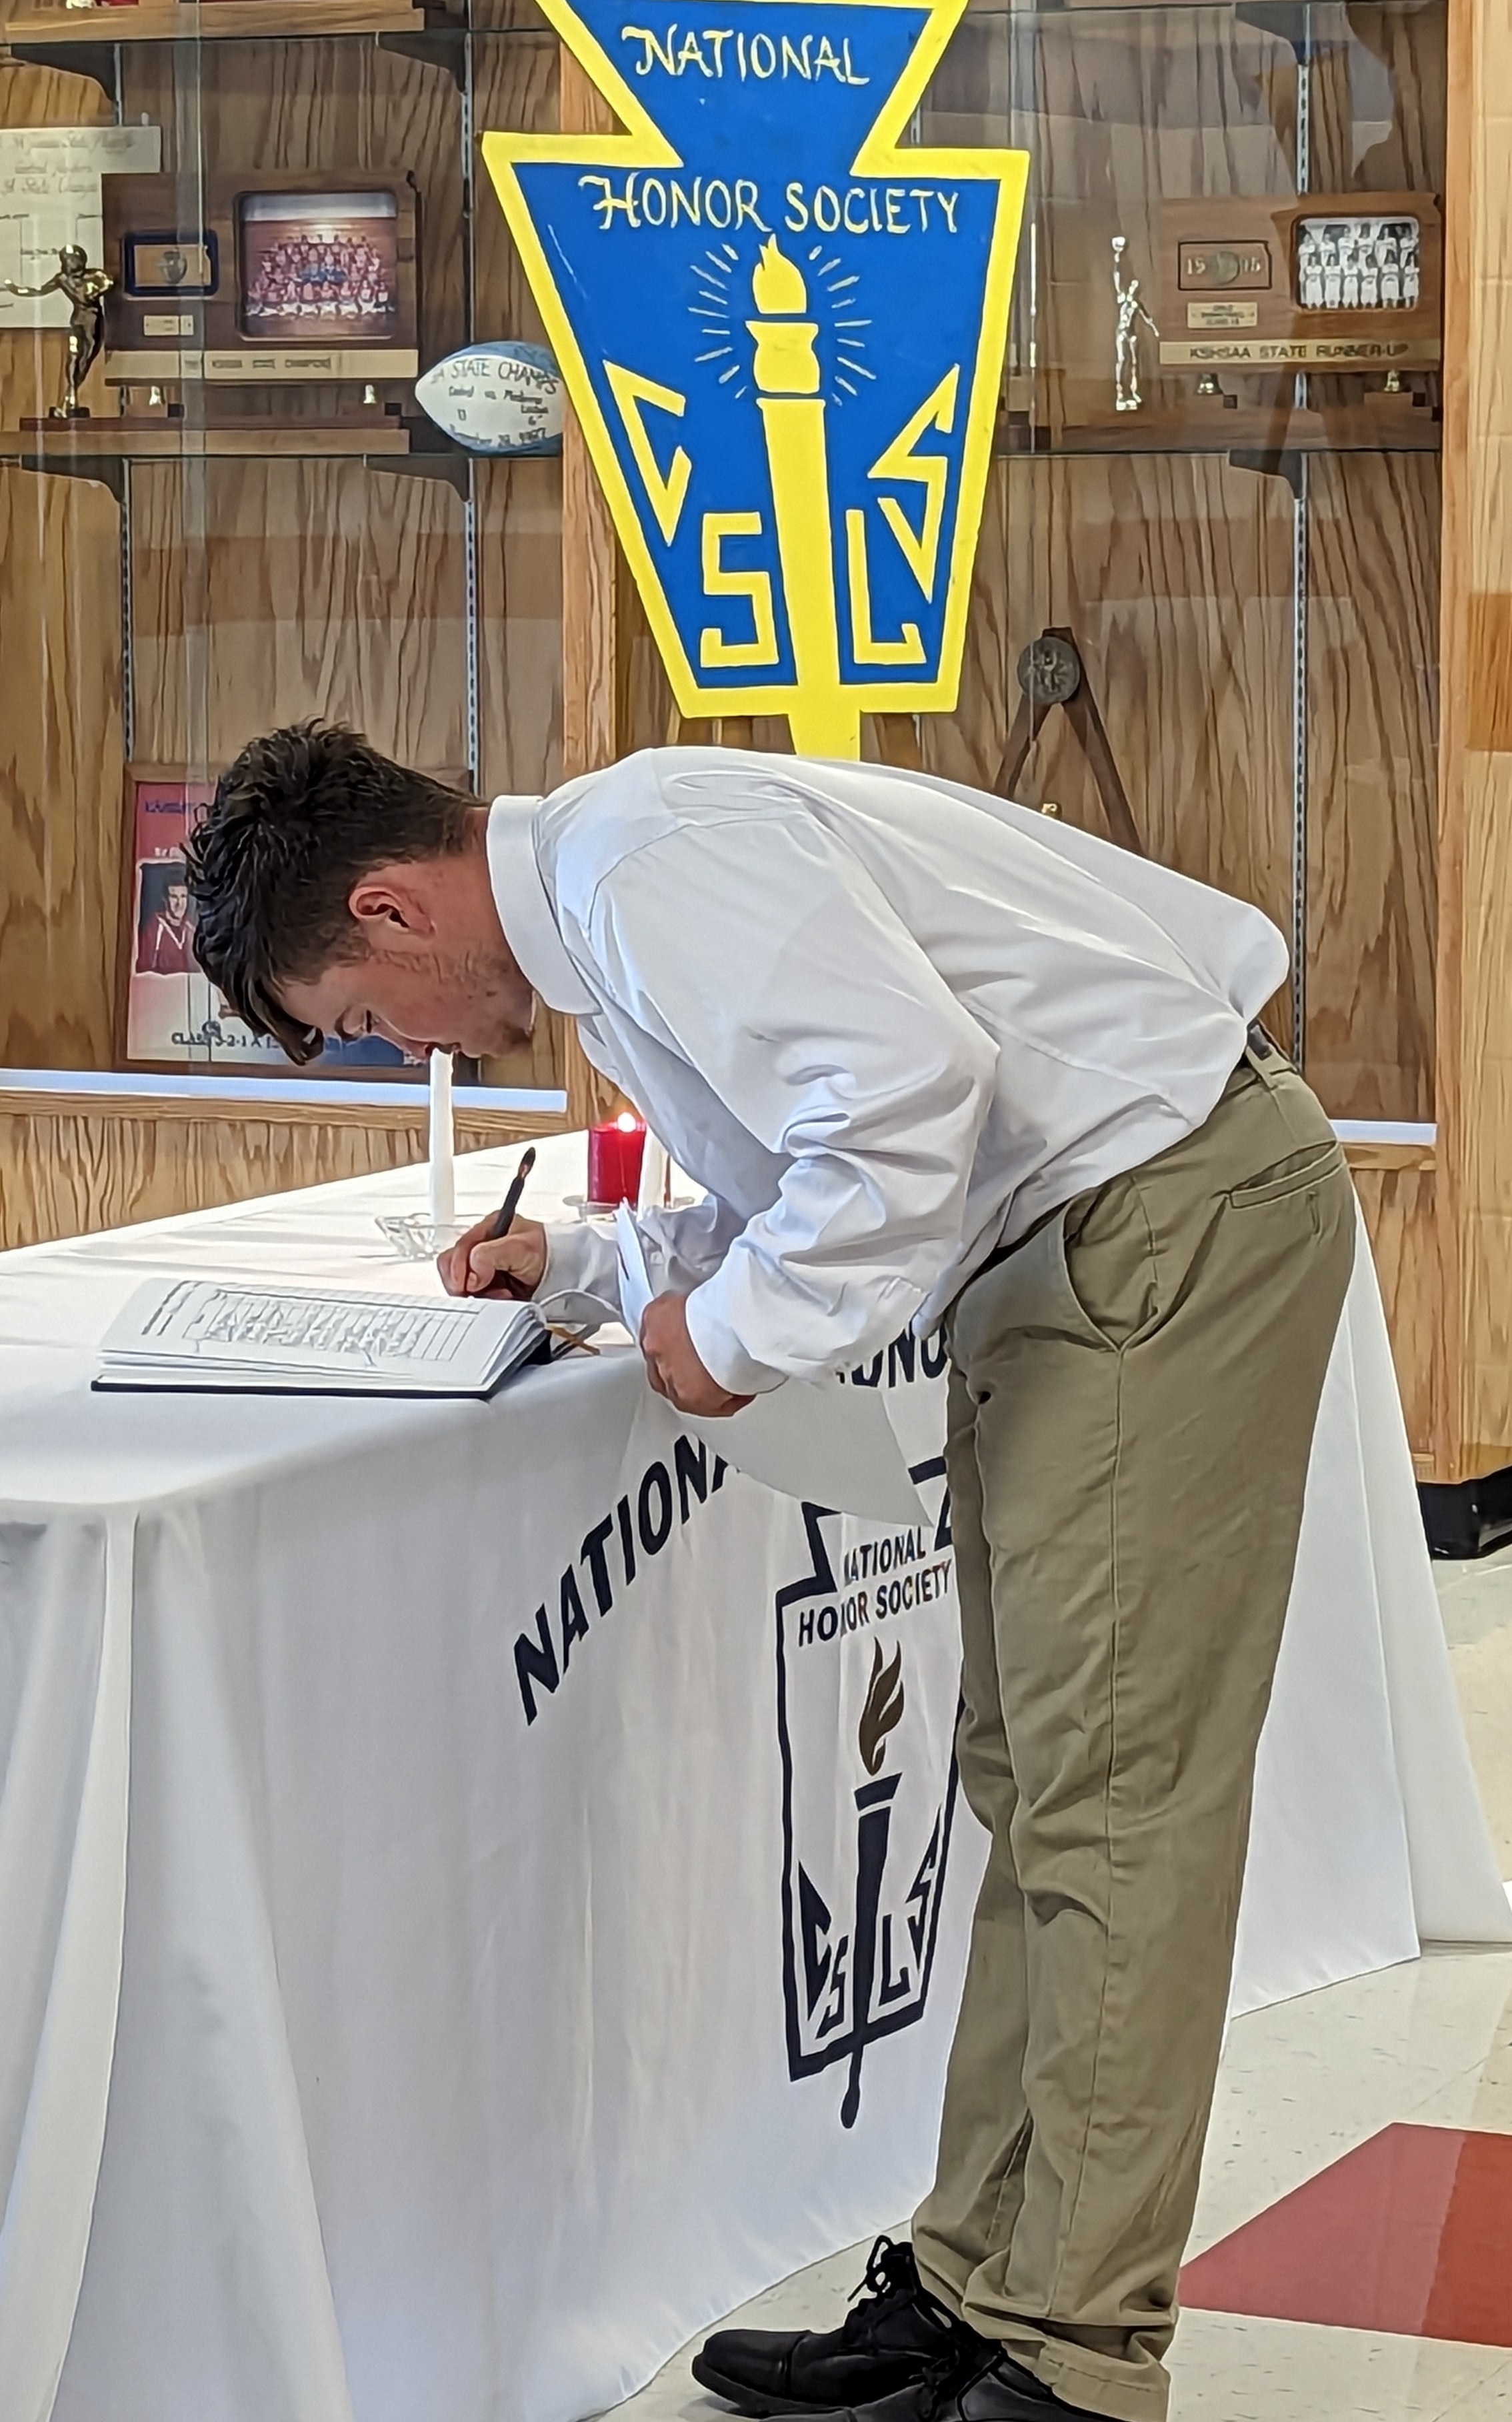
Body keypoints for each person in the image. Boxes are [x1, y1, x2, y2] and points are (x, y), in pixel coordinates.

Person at [185, 726, 1355, 2422]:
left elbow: (903, 1110)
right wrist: (597, 1264)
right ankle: (983, 2290)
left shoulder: (646, 866)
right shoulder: (614, 897)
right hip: (1090, 1231)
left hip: (1158, 1214)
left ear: (389, 906)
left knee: (1113, 1811)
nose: (403, 1045)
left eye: (366, 1014)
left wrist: (732, 1339)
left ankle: (1072, 2363)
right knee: (1039, 1791)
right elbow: (809, 1163)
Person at [137, 870, 194, 976]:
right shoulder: (153, 932)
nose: (179, 903)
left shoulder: (191, 930)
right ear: (165, 899)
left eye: (183, 896)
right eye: (174, 897)